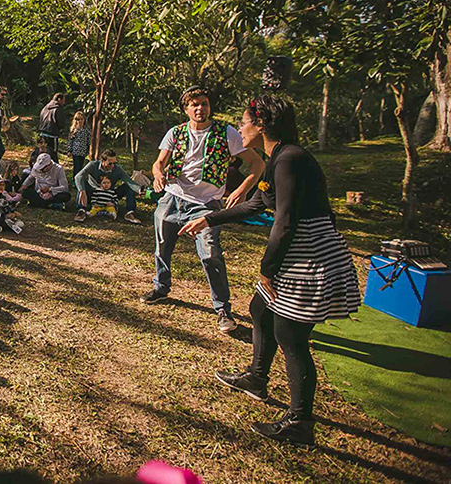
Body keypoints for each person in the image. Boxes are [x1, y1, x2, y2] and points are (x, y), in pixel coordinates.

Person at [179, 94, 360, 446]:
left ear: (261, 125)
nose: (240, 127)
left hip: (308, 254)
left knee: (291, 337)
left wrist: (267, 269)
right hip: (296, 249)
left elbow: (287, 221)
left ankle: (299, 422)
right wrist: (209, 219)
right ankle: (257, 378)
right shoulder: (278, 158)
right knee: (260, 310)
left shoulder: (290, 159)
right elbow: (258, 204)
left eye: (244, 121)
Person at [141, 85, 265, 334]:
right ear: (186, 109)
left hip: (206, 205)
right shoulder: (175, 133)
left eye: (204, 103)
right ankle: (161, 287)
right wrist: (157, 175)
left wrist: (241, 190)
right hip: (173, 197)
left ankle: (222, 309)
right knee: (162, 246)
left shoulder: (226, 132)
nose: (200, 108)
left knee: (210, 254)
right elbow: (159, 163)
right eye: (194, 104)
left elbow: (257, 164)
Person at [74, 150, 142, 225]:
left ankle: (130, 213)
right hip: (94, 193)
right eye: (110, 163)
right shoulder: (93, 165)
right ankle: (81, 210)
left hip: (109, 194)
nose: (112, 166)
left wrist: (139, 190)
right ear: (102, 161)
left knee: (127, 187)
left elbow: (129, 182)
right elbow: (78, 176)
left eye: (114, 163)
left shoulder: (117, 169)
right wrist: (82, 191)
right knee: (81, 182)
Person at [37, 93, 67, 163]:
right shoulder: (58, 108)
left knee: (43, 153)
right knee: (53, 154)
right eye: (63, 100)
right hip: (52, 134)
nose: (64, 103)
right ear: (59, 99)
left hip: (42, 134)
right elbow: (61, 123)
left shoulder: (45, 108)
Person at [66, 111, 91, 183]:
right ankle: (75, 180)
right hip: (75, 151)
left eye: (81, 119)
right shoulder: (74, 130)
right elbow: (70, 141)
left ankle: (79, 179)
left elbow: (88, 141)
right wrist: (69, 150)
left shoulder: (86, 130)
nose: (79, 121)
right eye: (77, 119)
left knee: (81, 166)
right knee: (76, 166)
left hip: (83, 151)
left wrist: (89, 150)